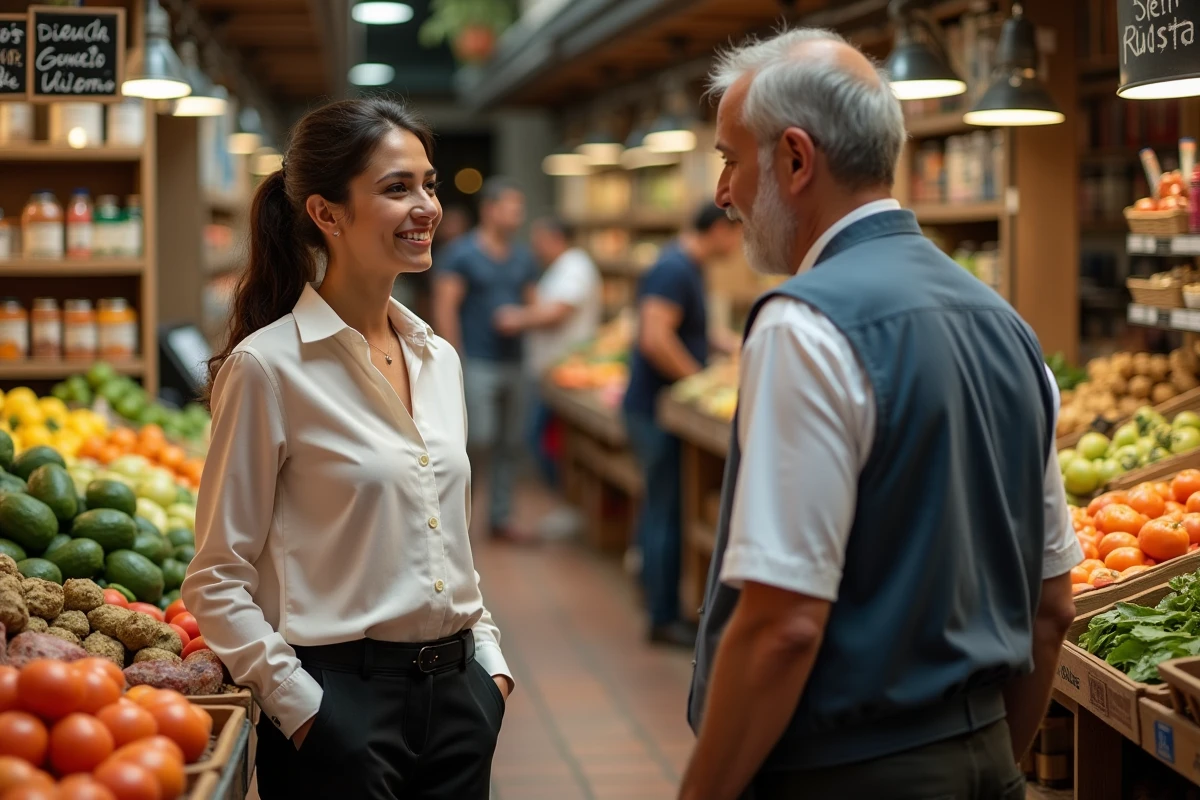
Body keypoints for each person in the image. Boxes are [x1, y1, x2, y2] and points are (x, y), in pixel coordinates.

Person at [679, 29, 1081, 800]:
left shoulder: (804, 326)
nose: (723, 193)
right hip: (987, 759)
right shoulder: (1010, 327)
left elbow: (781, 627)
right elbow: (1052, 605)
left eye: (730, 159)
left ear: (795, 160)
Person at [182, 97, 513, 800]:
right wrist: (304, 712)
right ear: (326, 214)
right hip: (339, 709)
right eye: (397, 188)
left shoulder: (438, 359)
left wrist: (490, 667)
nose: (427, 206)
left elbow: (446, 538)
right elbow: (215, 577)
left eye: (429, 184)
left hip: (458, 702)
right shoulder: (268, 368)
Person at [622, 202, 741, 647]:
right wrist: (699, 382)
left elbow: (689, 329)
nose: (738, 245)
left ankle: (655, 597)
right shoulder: (675, 268)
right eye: (736, 233)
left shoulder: (685, 266)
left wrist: (729, 346)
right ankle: (663, 616)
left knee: (661, 505)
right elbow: (655, 338)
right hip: (655, 410)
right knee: (666, 511)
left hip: (655, 407)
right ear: (717, 230)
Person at [433, 178, 540, 541]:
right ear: (490, 209)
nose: (518, 215)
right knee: (476, 440)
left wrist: (524, 318)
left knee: (510, 444)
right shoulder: (461, 254)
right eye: (512, 206)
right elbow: (445, 306)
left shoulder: (523, 257)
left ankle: (500, 519)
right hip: (476, 362)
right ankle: (456, 521)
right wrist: (452, 360)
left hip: (514, 362)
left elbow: (533, 304)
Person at [493, 216, 601, 487]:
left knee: (542, 440)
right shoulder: (560, 268)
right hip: (552, 371)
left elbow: (557, 313)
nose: (535, 247)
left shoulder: (575, 266)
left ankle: (566, 499)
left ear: (556, 238)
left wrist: (517, 318)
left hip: (563, 370)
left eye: (539, 241)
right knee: (545, 440)